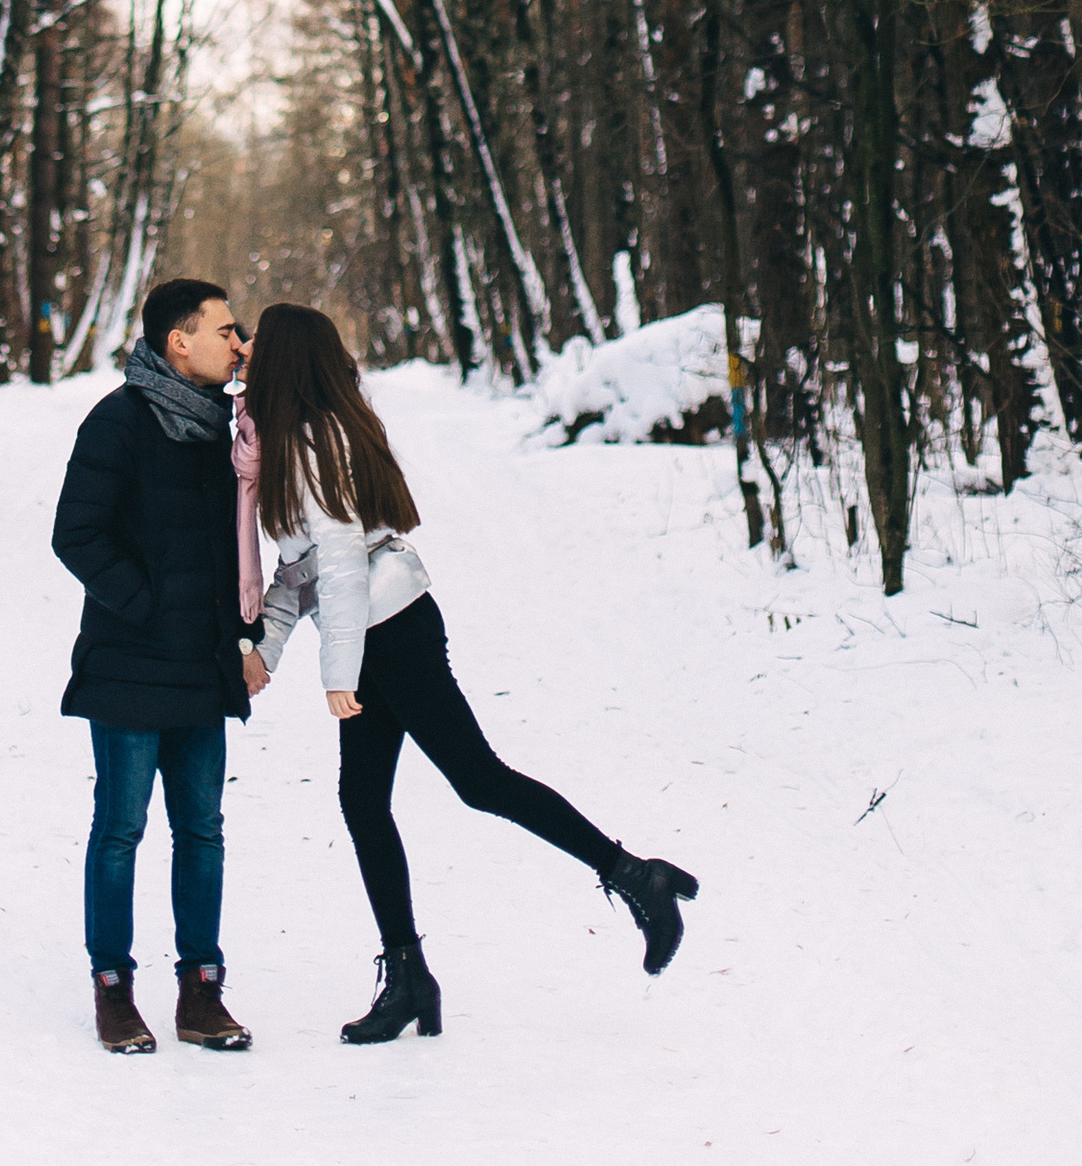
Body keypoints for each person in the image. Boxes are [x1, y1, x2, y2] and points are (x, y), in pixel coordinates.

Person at [245, 301, 698, 1044]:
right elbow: (300, 574)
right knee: (362, 801)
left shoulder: (316, 437)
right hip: (377, 628)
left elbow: (338, 562)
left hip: (389, 631)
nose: (249, 347)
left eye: (259, 339)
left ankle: (633, 875)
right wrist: (267, 649)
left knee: (478, 780)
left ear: (286, 357)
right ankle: (409, 977)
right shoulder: (301, 437)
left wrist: (339, 668)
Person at [50, 275, 257, 1056]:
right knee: (122, 829)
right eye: (226, 330)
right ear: (180, 340)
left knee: (202, 830)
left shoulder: (225, 428)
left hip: (203, 668)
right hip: (131, 664)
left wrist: (237, 638)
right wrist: (147, 608)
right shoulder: (118, 423)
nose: (239, 343)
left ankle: (202, 993)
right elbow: (78, 536)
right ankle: (114, 990)